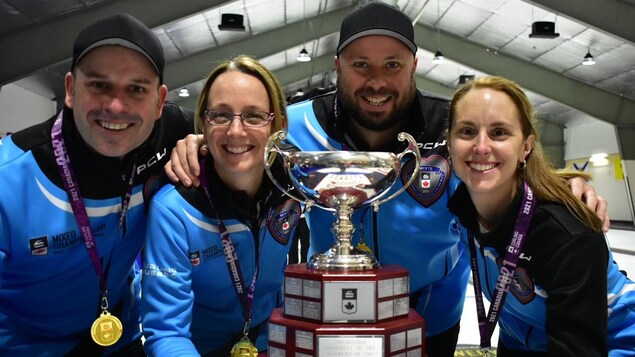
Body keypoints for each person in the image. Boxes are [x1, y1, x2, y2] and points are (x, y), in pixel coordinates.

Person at [165, 3, 608, 355]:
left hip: (431, 315)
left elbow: (503, 169)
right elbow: (239, 141)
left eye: (392, 65)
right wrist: (196, 146)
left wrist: (565, 186)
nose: (377, 81)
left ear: (414, 65)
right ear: (337, 65)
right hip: (331, 312)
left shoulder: (451, 129)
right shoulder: (294, 128)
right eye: (361, 65)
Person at [0, 14, 194, 356]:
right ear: (71, 89)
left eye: (136, 89)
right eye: (99, 85)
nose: (116, 106)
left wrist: (204, 144)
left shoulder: (175, 133)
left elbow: (246, 139)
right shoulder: (10, 177)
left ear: (160, 101)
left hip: (122, 339)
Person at [447, 76, 635, 356]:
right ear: (449, 143)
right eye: (467, 131)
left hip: (615, 343)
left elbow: (578, 348)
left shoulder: (565, 234)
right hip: (529, 341)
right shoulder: (460, 211)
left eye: (499, 132)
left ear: (526, 147)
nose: (482, 146)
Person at [141, 55, 302, 356]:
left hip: (273, 343)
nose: (236, 132)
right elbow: (165, 332)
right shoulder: (174, 210)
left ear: (278, 125)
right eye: (221, 115)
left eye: (254, 116)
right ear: (203, 122)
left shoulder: (294, 185)